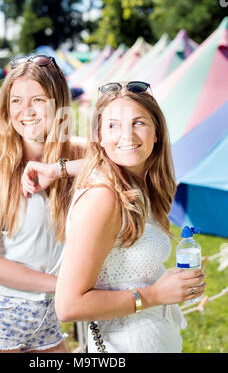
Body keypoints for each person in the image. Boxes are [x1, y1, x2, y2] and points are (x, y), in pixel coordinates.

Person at [55, 81, 206, 353]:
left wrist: (174, 285)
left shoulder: (140, 186)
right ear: (99, 136)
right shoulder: (103, 198)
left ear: (157, 132)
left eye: (138, 122)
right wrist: (157, 294)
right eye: (113, 125)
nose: (126, 135)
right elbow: (68, 305)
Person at [0, 54, 84, 353]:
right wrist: (67, 285)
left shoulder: (74, 155)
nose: (26, 111)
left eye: (38, 100)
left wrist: (58, 169)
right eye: (16, 101)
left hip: (47, 320)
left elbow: (123, 161)